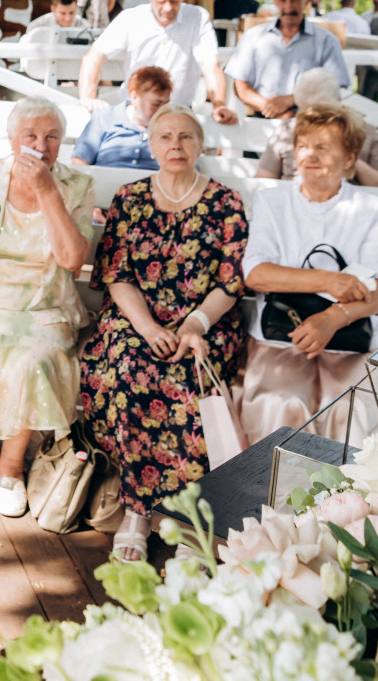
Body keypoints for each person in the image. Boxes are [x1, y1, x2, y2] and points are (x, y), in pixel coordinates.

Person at [80, 104, 248, 562]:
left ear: (201, 145)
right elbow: (116, 273)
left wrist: (194, 324)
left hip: (204, 321)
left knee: (186, 375)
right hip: (138, 318)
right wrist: (149, 327)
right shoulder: (131, 198)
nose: (175, 145)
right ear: (151, 146)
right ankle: (137, 510)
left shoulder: (225, 203)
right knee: (132, 367)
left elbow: (230, 281)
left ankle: (188, 515)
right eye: (165, 137)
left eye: (186, 137)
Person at [240, 105, 378, 443]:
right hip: (280, 337)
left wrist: (333, 317)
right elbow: (255, 273)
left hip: (353, 341)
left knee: (349, 407)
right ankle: (269, 493)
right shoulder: (272, 201)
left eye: (323, 147)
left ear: (349, 158)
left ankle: (343, 497)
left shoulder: (371, 209)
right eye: (302, 146)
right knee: (281, 402)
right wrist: (330, 281)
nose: (309, 155)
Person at [0, 98, 95, 519]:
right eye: (30, 136)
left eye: (52, 137)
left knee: (32, 358)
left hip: (46, 306)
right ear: (10, 141)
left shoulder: (76, 185)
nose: (41, 146)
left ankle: (9, 468)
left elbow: (73, 259)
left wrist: (46, 191)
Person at [77, 0, 237, 123]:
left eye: (174, 1)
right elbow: (93, 57)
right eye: (161, 1)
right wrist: (88, 97)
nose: (167, 8)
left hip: (178, 112)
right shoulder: (131, 18)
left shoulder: (197, 17)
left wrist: (218, 104)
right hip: (135, 112)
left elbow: (210, 65)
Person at [227, 0, 350, 117]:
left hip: (309, 123)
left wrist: (291, 100)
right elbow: (240, 87)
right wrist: (273, 109)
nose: (289, 7)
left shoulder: (327, 41)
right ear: (274, 0)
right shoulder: (253, 36)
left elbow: (333, 89)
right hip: (260, 119)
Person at [255, 68, 378, 187]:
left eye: (322, 114)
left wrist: (347, 160)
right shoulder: (286, 130)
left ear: (338, 103)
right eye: (304, 112)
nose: (312, 120)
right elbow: (263, 180)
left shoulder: (364, 131)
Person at [71, 65, 173, 170]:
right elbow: (80, 162)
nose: (162, 110)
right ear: (134, 97)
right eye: (156, 104)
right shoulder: (104, 118)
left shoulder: (172, 127)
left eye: (166, 104)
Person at [19, 0, 91, 81]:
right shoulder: (37, 26)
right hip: (42, 73)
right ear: (53, 9)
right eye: (62, 13)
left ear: (76, 9)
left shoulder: (84, 26)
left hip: (75, 73)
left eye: (71, 12)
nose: (67, 18)